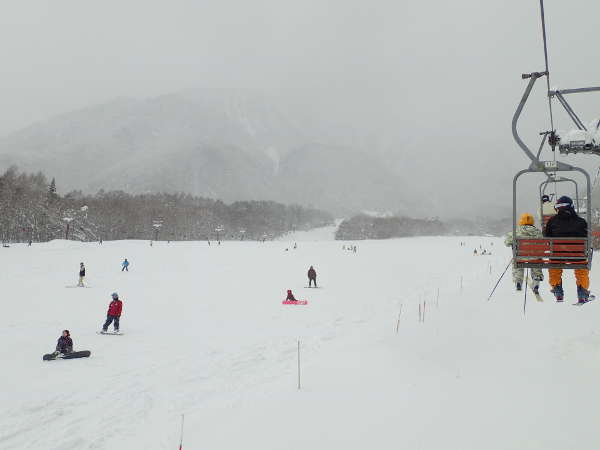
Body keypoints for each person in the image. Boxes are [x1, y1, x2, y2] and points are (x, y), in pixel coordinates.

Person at [544, 195, 590, 303]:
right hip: (578, 255)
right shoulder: (581, 221)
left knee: (554, 268)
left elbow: (547, 238)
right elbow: (585, 237)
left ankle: (557, 289)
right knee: (581, 270)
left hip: (557, 255)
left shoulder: (552, 221)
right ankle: (582, 292)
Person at [504, 213, 544, 293]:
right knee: (537, 260)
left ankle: (518, 281)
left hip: (520, 256)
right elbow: (543, 244)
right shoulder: (538, 232)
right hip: (534, 257)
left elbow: (507, 243)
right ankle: (536, 280)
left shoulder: (516, 231)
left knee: (516, 261)